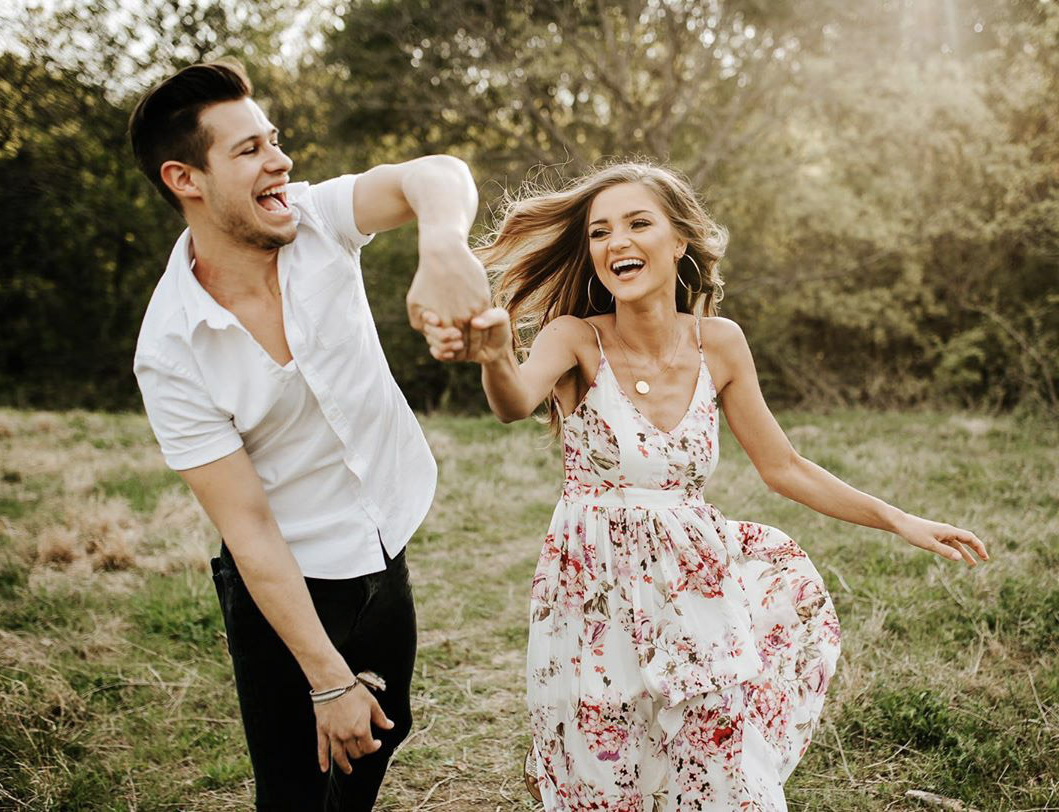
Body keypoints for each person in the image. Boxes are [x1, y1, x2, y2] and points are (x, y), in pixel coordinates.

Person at [425, 162, 988, 811]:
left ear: (679, 241)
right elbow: (514, 401)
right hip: (593, 595)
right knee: (609, 778)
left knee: (716, 770)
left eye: (639, 223)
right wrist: (496, 355)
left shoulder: (720, 345)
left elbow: (787, 468)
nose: (617, 242)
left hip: (696, 595)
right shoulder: (574, 338)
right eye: (601, 231)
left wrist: (900, 521)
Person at [127, 60, 488, 810]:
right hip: (284, 589)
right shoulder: (170, 350)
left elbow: (438, 173)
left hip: (385, 544)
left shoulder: (318, 218)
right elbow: (250, 530)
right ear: (184, 179)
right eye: (249, 150)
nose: (280, 161)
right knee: (293, 791)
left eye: (275, 140)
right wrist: (326, 679)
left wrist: (444, 244)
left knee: (379, 739)